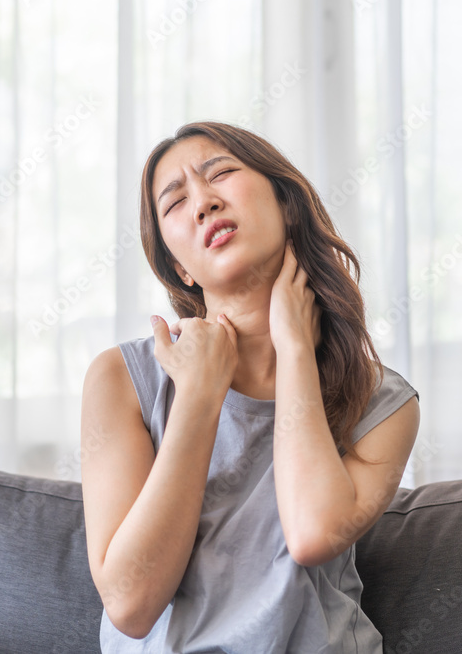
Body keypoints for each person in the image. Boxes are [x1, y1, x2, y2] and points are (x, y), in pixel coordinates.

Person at [81, 121, 420, 653]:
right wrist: (197, 396)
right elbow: (130, 604)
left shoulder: (381, 403)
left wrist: (295, 350)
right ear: (179, 269)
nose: (203, 203)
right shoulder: (121, 379)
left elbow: (311, 535)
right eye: (175, 203)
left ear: (285, 203)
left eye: (221, 174)